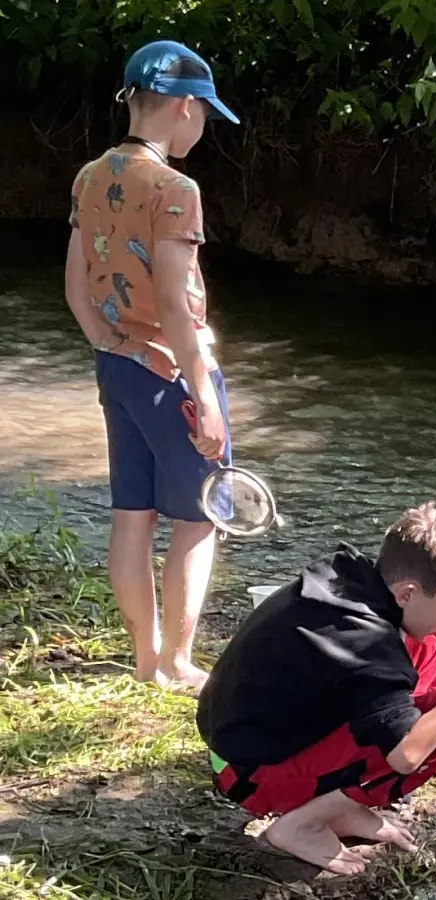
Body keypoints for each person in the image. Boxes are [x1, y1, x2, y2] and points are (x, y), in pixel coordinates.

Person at [196, 503, 436, 875]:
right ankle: (301, 825)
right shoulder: (368, 647)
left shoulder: (351, 576)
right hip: (251, 776)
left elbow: (432, 626)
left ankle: (339, 805)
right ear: (408, 592)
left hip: (236, 741)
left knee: (428, 648)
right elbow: (407, 756)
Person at [63, 40, 239, 691]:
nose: (203, 127)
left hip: (121, 370)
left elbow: (76, 289)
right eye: (204, 115)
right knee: (199, 518)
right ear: (185, 107)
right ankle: (177, 661)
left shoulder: (90, 176)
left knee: (131, 517)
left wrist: (115, 346)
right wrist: (205, 394)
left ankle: (145, 660)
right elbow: (172, 300)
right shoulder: (175, 188)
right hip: (175, 374)